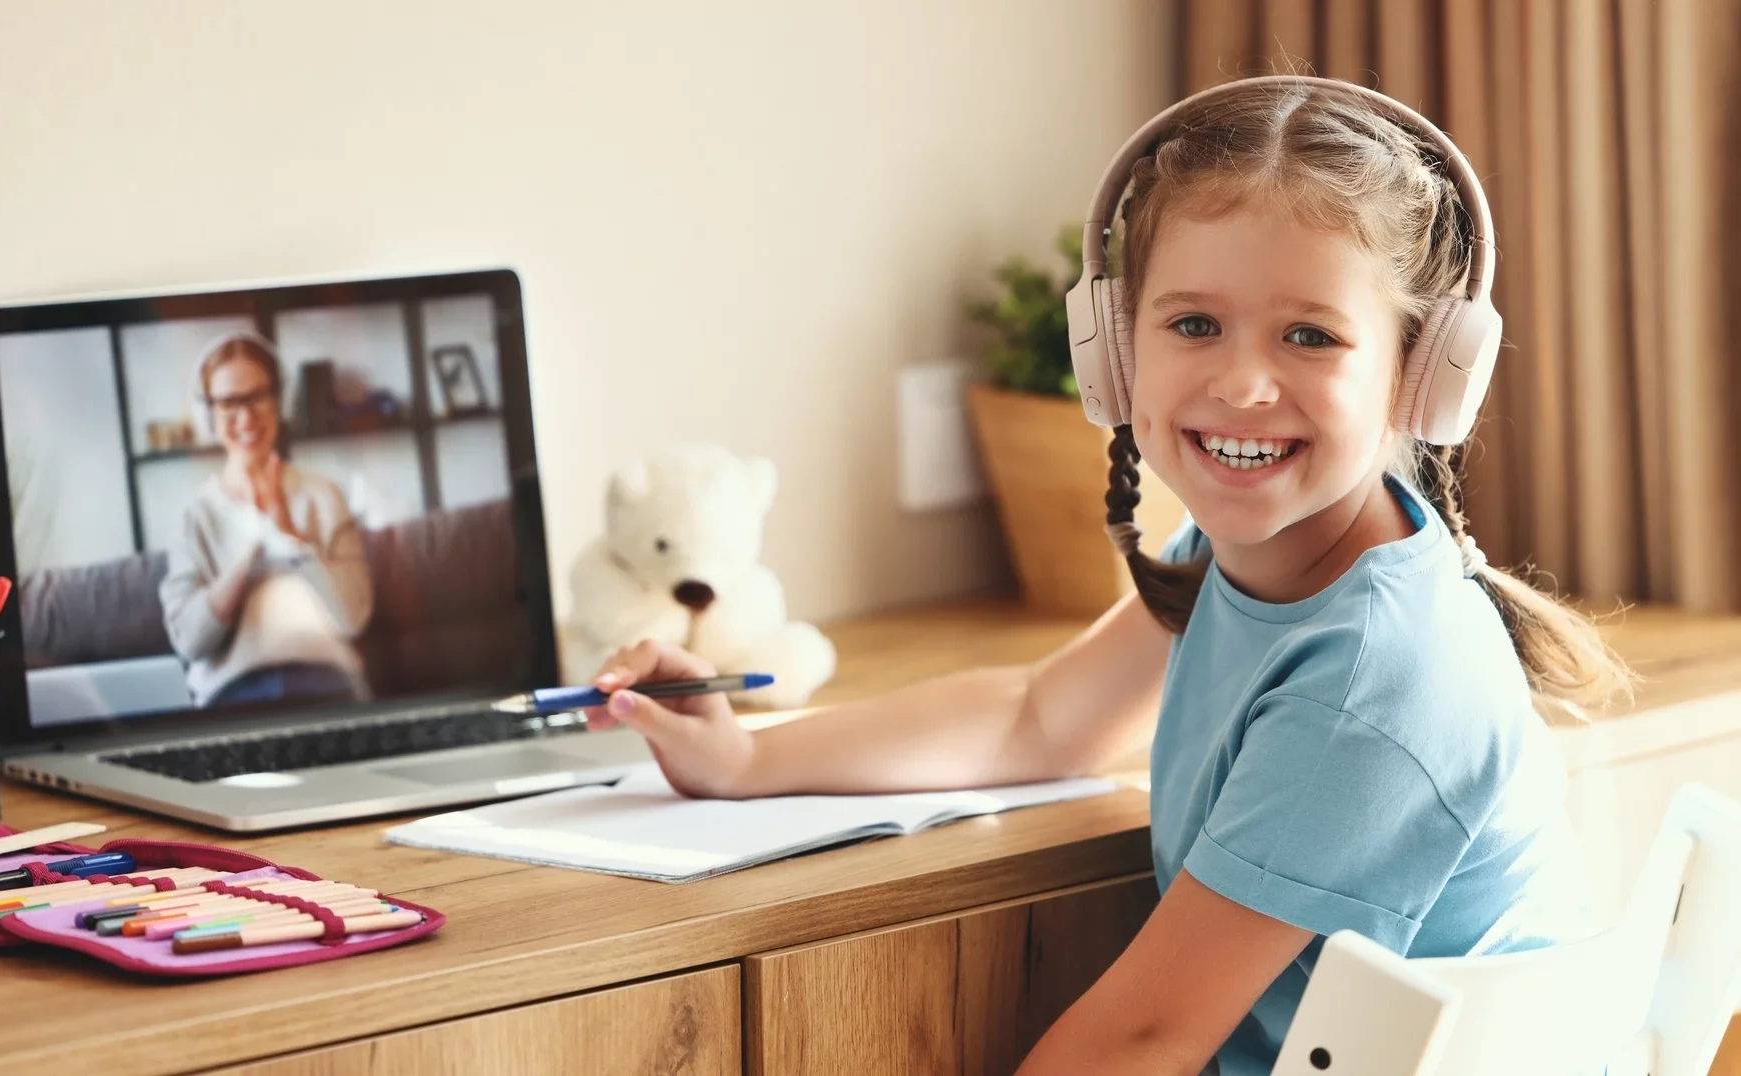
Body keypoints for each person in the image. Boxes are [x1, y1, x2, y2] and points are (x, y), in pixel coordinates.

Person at [581, 77, 1630, 1075]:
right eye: (1194, 323)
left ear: (1422, 372)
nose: (1243, 380)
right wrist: (741, 759)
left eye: (1311, 334)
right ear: (1116, 353)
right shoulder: (1250, 560)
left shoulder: (1375, 673)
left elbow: (1143, 1039)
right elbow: (1036, 717)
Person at [160, 331, 375, 708]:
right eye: (229, 403)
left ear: (278, 401)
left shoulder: (325, 495)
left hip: (327, 683)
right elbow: (190, 642)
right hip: (233, 692)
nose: (246, 417)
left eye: (258, 397)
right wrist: (251, 554)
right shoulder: (194, 516)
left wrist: (292, 538)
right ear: (208, 413)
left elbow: (352, 619)